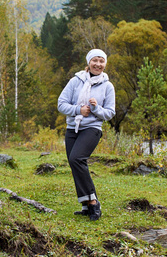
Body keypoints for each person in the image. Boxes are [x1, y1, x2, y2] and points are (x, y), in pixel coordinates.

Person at [57, 48, 115, 221]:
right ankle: (86, 205)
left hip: (92, 128)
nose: (98, 64)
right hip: (73, 128)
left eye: (101, 61)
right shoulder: (76, 81)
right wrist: (78, 110)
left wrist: (96, 108)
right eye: (95, 60)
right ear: (89, 62)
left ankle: (94, 203)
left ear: (105, 64)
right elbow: (61, 104)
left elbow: (110, 113)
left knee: (77, 159)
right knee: (75, 165)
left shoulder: (107, 86)